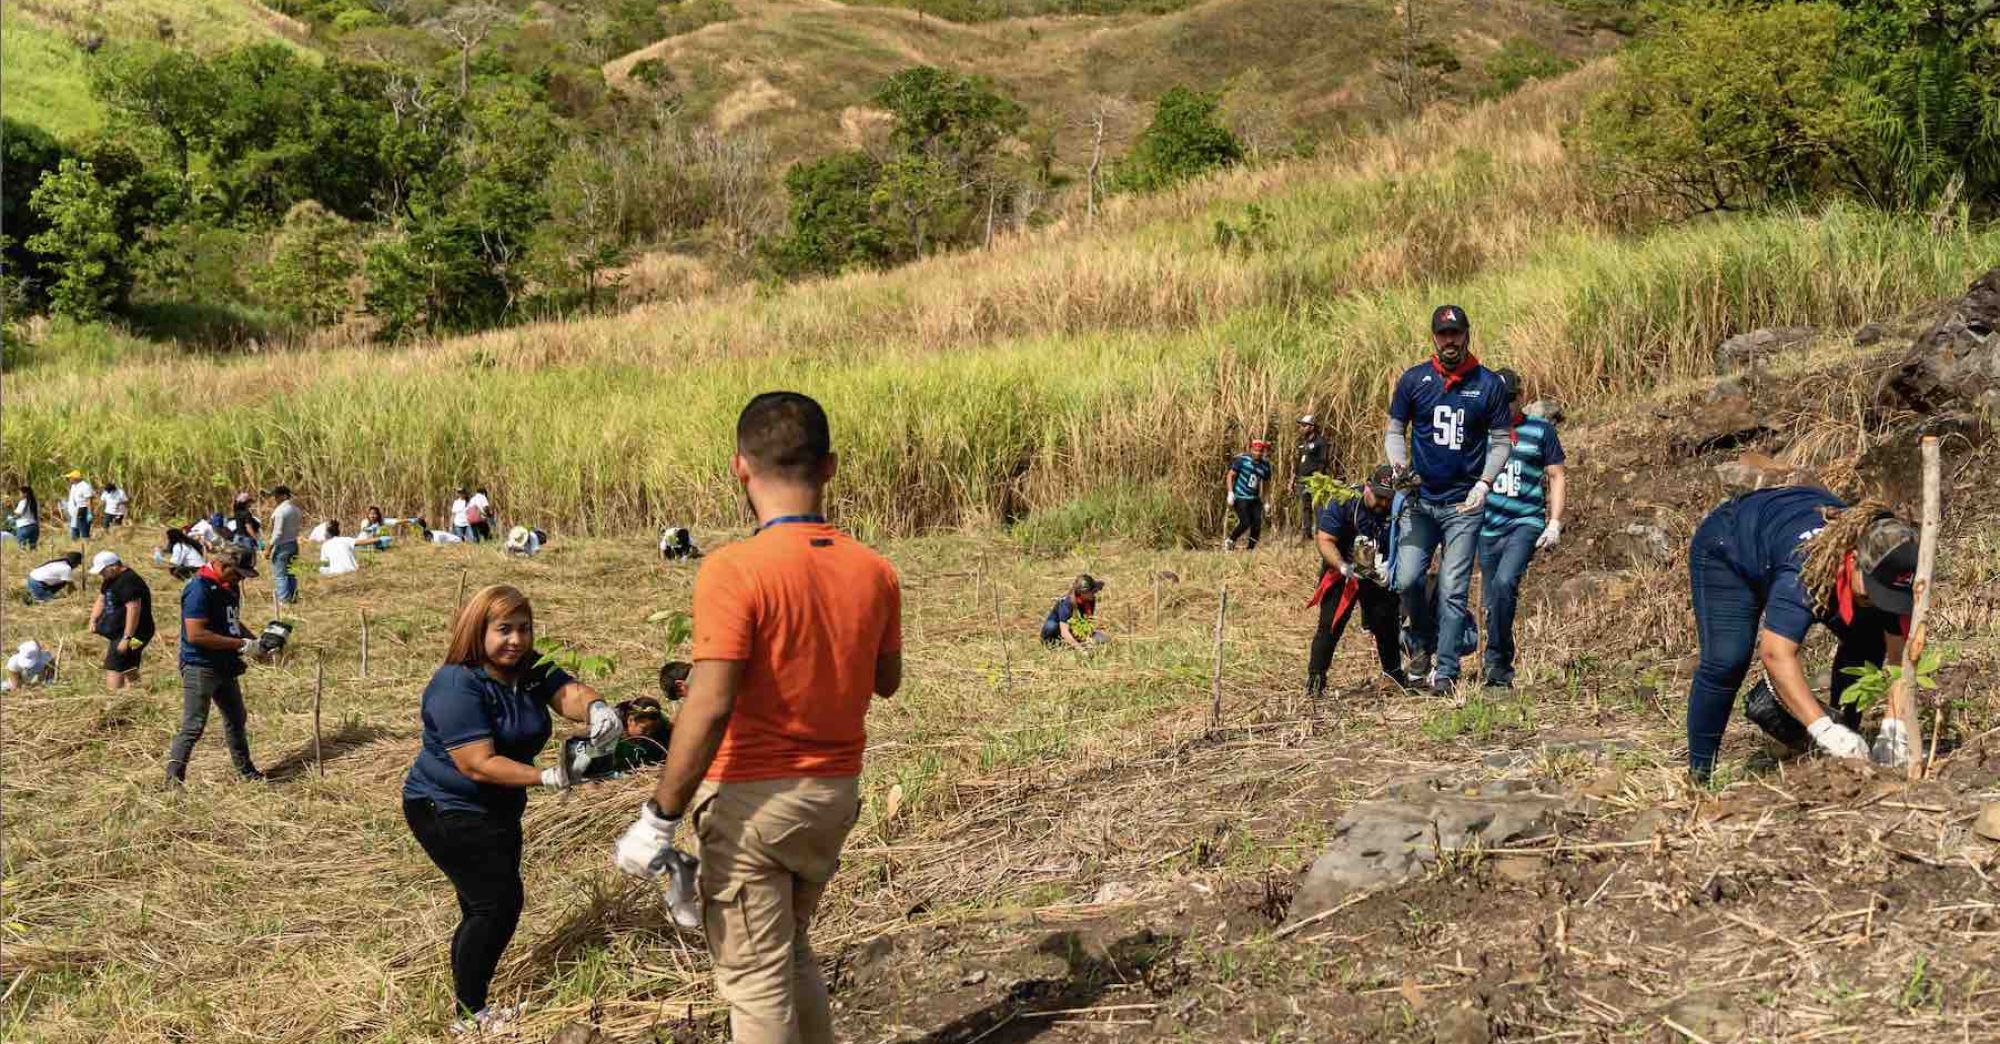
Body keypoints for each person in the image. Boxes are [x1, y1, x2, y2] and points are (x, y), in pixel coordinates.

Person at [613, 391, 904, 1044]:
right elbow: (887, 682)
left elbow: (710, 704)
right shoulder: (875, 571)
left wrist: (659, 816)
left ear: (740, 467)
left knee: (754, 981)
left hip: (755, 804)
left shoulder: (733, 571)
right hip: (833, 797)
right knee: (791, 950)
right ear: (829, 467)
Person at [402, 585, 624, 1033]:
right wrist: (550, 776)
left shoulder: (529, 668)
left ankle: (471, 998)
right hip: (445, 807)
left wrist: (597, 708)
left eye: (524, 629)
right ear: (477, 630)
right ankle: (470, 1015)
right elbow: (477, 764)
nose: (516, 640)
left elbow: (566, 693)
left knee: (482, 904)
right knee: (497, 904)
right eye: (503, 630)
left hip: (500, 809)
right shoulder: (456, 684)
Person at [1684, 488, 1918, 779]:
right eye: (1872, 590)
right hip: (1731, 546)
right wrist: (1823, 729)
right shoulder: (1805, 570)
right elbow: (1775, 653)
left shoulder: (1898, 566)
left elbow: (1903, 655)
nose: (1878, 598)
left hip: (1786, 524)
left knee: (1869, 633)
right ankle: (1700, 775)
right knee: (1727, 660)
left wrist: (1895, 724)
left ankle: (1847, 741)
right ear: (1854, 558)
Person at [1385, 304, 1514, 695]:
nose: (1450, 341)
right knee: (1406, 578)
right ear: (1434, 338)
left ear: (1467, 335)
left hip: (1464, 505)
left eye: (1456, 333)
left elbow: (1500, 440)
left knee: (1453, 587)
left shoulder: (1488, 383)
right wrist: (1399, 466)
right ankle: (1421, 643)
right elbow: (1395, 430)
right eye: (1443, 335)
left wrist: (1485, 483)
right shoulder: (1414, 380)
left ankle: (1446, 671)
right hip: (1420, 500)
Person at [1473, 369, 1568, 689]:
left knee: (1504, 584)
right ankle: (1495, 663)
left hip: (1524, 522)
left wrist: (1554, 522)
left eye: (1509, 399)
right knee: (1492, 601)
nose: (1505, 406)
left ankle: (1498, 663)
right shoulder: (1481, 433)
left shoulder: (1540, 431)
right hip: (1487, 527)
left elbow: (1556, 475)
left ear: (1521, 397)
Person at [167, 546, 274, 785]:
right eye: (237, 574)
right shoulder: (199, 589)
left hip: (225, 663)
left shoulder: (229, 586)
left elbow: (232, 620)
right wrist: (242, 645)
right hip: (200, 665)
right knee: (193, 725)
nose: (240, 580)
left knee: (236, 718)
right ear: (222, 565)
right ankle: (173, 782)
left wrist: (254, 644)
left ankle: (246, 772)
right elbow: (197, 634)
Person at [1306, 467, 1410, 698]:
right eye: (1379, 496)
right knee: (1330, 625)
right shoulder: (1344, 502)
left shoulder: (1397, 511)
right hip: (1343, 570)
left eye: (1388, 498)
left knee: (1386, 623)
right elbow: (1325, 539)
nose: (1383, 503)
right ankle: (1315, 680)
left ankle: (1394, 676)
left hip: (1376, 574)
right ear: (1367, 487)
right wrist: (1343, 566)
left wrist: (1392, 568)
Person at [88, 551, 155, 691]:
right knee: (127, 663)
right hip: (122, 632)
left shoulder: (129, 581)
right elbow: (101, 599)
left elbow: (134, 609)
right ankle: (138, 693)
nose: (101, 575)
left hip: (137, 634)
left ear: (113, 567)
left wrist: (127, 638)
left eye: (102, 571)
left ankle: (114, 699)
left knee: (115, 664)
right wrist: (93, 619)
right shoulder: (110, 580)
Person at [1225, 439, 1273, 550]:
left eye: (1260, 451)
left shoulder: (1265, 465)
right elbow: (1230, 475)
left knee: (1257, 523)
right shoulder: (1242, 460)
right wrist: (1230, 492)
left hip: (1254, 498)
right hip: (1241, 496)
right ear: (1251, 449)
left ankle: (1250, 549)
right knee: (1245, 521)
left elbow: (1266, 484)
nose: (1258, 453)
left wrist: (1266, 501)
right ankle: (1231, 540)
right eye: (1255, 451)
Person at [1040, 574, 1106, 650]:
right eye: (1092, 591)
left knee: (1103, 639)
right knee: (1051, 626)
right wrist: (1080, 648)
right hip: (1059, 629)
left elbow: (1087, 621)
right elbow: (1064, 630)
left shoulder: (1090, 600)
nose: (1094, 593)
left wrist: (1087, 639)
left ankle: (1071, 642)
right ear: (1082, 593)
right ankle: (1055, 643)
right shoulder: (1067, 603)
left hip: (1074, 629)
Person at [1294, 414, 1330, 541]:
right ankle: (1306, 535)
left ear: (1311, 427)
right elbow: (1298, 462)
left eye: (1304, 425)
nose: (1301, 428)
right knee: (1305, 507)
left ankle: (1320, 535)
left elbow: (1323, 461)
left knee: (1318, 507)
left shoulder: (1320, 442)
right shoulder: (1302, 443)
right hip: (1302, 480)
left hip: (1314, 481)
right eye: (1301, 425)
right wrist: (1294, 478)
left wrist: (1318, 478)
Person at [267, 486, 302, 604]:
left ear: (284, 496)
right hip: (293, 543)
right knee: (291, 573)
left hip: (282, 545)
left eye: (277, 496)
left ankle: (284, 600)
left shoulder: (280, 511)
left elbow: (277, 533)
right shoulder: (296, 510)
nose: (275, 498)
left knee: (281, 574)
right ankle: (293, 597)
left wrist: (268, 548)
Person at [64, 469, 95, 540]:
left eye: (70, 478)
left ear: (75, 478)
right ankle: (76, 545)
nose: (68, 479)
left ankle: (86, 546)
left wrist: (89, 513)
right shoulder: (74, 486)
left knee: (84, 531)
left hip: (82, 509)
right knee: (74, 530)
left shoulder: (85, 486)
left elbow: (89, 501)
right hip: (75, 511)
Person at [11, 484, 39, 550]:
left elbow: (18, 514)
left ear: (25, 493)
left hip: (24, 526)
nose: (19, 495)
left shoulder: (22, 502)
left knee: (22, 548)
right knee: (33, 547)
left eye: (20, 493)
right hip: (34, 527)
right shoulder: (36, 502)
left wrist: (12, 518)